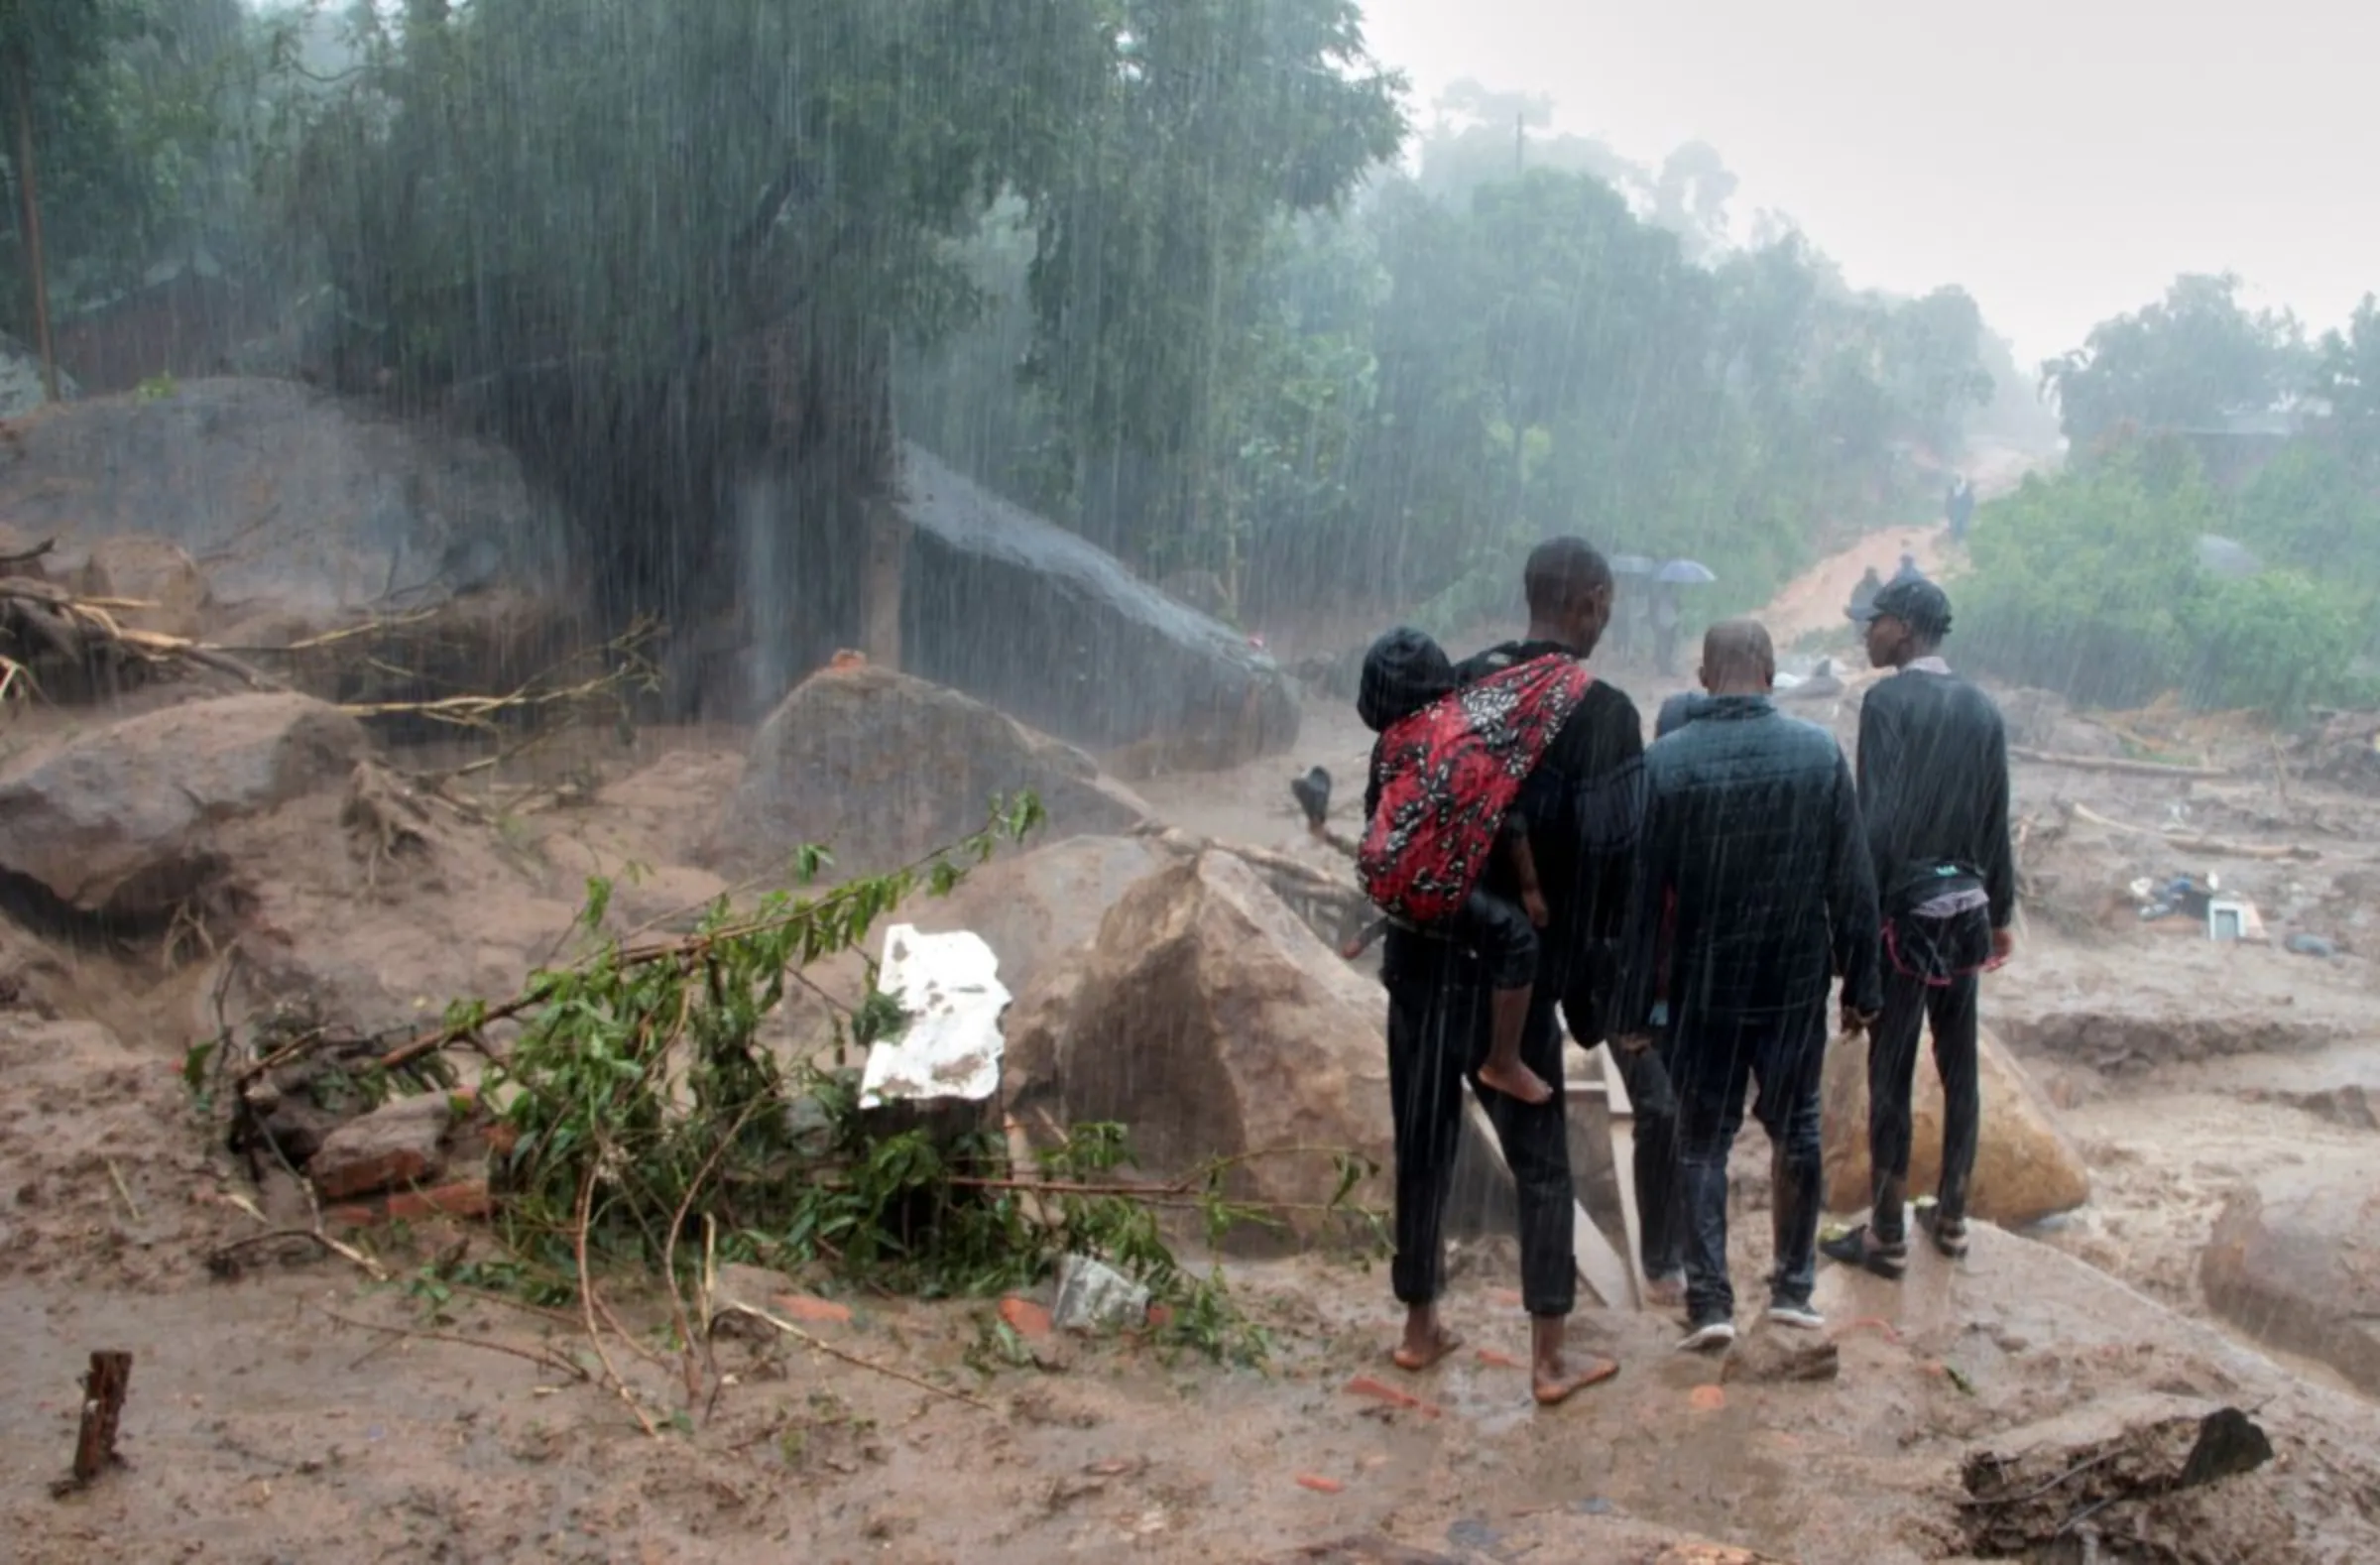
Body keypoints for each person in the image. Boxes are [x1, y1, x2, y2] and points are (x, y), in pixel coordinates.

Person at [1378, 537, 1645, 1405]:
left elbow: (1402, 803)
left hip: (1422, 953)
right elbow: (1613, 865)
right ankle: (1548, 1359)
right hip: (1511, 983)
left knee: (1423, 1147)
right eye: (1605, 606)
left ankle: (1419, 1331)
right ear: (1592, 602)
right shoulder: (1601, 712)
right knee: (1541, 1163)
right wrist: (1595, 995)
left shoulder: (1457, 680)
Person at [1616, 619, 1881, 1350]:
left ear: (1704, 677)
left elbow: (1644, 903)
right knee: (1796, 1130)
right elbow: (1852, 884)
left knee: (1702, 1142)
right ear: (1771, 673)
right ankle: (1794, 1291)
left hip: (1706, 987)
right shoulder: (1818, 754)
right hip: (1794, 985)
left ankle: (1710, 1305)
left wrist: (1635, 1006)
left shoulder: (1665, 764)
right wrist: (1863, 986)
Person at [1824, 577, 2015, 1277]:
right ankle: (1955, 1215)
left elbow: (1880, 822)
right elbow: (1995, 819)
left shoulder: (1887, 702)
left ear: (1903, 628)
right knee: (1959, 1067)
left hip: (1903, 917)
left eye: (1872, 623)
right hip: (1966, 910)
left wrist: (1857, 927)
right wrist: (2002, 915)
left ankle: (1885, 1231)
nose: (1865, 635)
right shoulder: (1982, 708)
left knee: (1891, 1071)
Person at [1353, 628, 1557, 1106]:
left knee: (1423, 1112)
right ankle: (1503, 1061)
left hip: (1386, 882)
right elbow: (1509, 817)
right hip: (1438, 895)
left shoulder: (1389, 744)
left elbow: (1373, 812)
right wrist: (1529, 886)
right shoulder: (1467, 735)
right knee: (1519, 942)